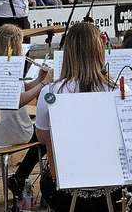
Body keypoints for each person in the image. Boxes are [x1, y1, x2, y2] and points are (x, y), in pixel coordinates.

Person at [35, 22, 121, 211]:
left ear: (68, 52)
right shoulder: (118, 90)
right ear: (99, 50)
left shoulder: (50, 91)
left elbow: (42, 139)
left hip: (64, 187)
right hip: (112, 186)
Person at [0, 24, 53, 201]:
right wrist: (44, 84)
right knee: (47, 132)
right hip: (11, 131)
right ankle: (21, 176)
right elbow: (17, 101)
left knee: (41, 128)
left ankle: (20, 177)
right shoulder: (8, 65)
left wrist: (38, 78)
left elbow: (22, 89)